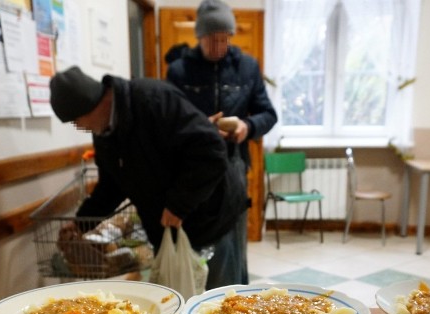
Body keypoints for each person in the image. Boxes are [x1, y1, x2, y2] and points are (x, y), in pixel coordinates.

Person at [48, 66, 248, 290]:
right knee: (182, 299)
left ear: (91, 104)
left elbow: (211, 152)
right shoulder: (105, 133)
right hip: (166, 228)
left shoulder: (153, 100)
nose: (79, 127)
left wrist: (178, 205)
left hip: (211, 215)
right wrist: (81, 222)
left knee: (221, 296)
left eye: (76, 121)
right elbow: (111, 185)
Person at [166, 0, 278, 285]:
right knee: (198, 238)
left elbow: (268, 114)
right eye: (212, 39)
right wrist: (204, 128)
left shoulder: (247, 67)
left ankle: (232, 297)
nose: (219, 46)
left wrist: (247, 126)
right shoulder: (179, 71)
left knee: (232, 239)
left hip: (233, 164)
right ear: (199, 37)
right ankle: (195, 299)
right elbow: (170, 120)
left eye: (224, 39)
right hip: (192, 168)